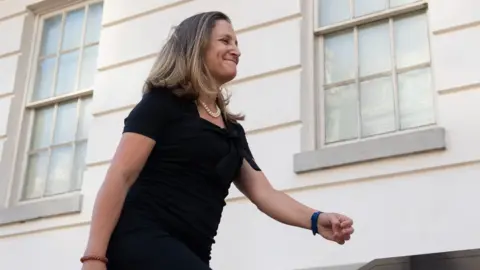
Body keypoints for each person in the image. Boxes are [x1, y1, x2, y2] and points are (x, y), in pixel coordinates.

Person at [80, 11, 354, 270]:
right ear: (197, 47)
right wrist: (94, 257)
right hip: (143, 239)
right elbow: (120, 176)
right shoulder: (161, 104)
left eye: (236, 42)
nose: (236, 49)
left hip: (193, 251)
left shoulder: (231, 130)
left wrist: (317, 220)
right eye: (225, 40)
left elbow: (265, 194)